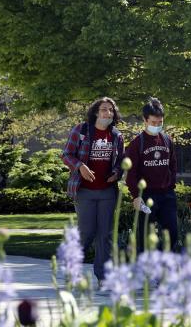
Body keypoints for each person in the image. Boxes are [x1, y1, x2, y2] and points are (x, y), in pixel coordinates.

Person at [61, 97, 124, 287]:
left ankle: (104, 277)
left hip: (107, 192)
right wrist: (80, 166)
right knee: (86, 232)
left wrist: (117, 173)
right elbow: (66, 155)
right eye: (104, 110)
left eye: (111, 110)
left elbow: (121, 162)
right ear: (96, 112)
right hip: (85, 191)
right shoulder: (81, 131)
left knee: (105, 235)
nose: (108, 113)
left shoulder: (116, 136)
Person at [125, 97, 179, 253]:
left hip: (167, 195)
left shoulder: (167, 140)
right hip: (146, 195)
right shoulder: (137, 143)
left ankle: (162, 263)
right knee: (145, 236)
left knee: (172, 234)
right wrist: (135, 195)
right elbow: (131, 172)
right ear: (145, 120)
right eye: (153, 122)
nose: (157, 126)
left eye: (160, 122)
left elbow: (173, 164)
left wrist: (171, 184)